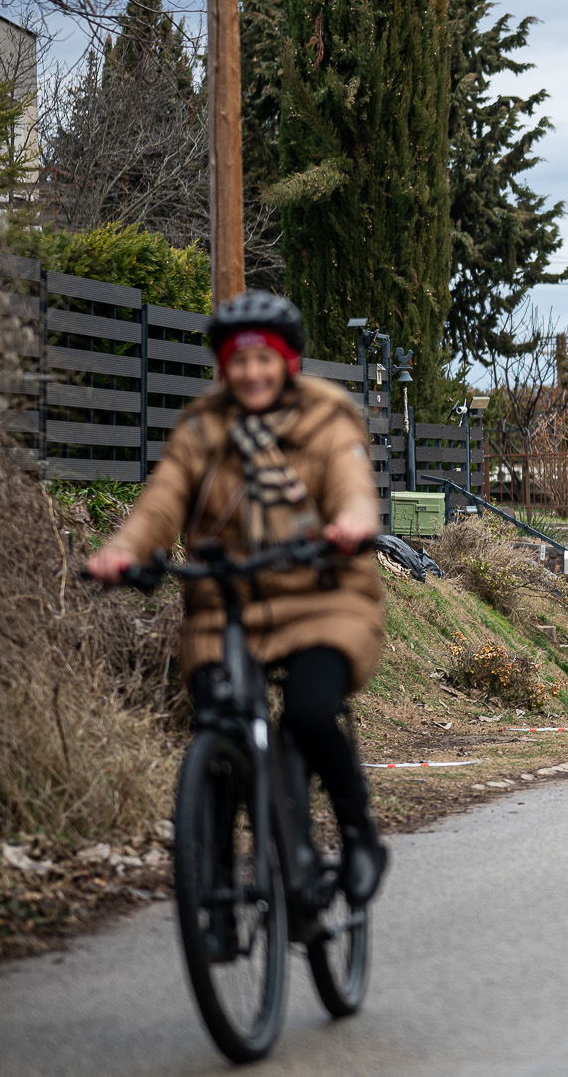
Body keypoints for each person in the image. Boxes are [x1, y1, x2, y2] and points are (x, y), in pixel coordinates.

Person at [86, 292, 389, 903]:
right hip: (226, 604)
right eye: (238, 362)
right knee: (218, 730)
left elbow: (353, 483)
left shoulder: (329, 417)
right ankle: (215, 881)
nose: (251, 373)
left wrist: (353, 524)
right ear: (225, 368)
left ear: (287, 363)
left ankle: (359, 834)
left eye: (264, 360)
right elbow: (163, 499)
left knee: (307, 713)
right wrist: (124, 549)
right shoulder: (203, 427)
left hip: (322, 597)